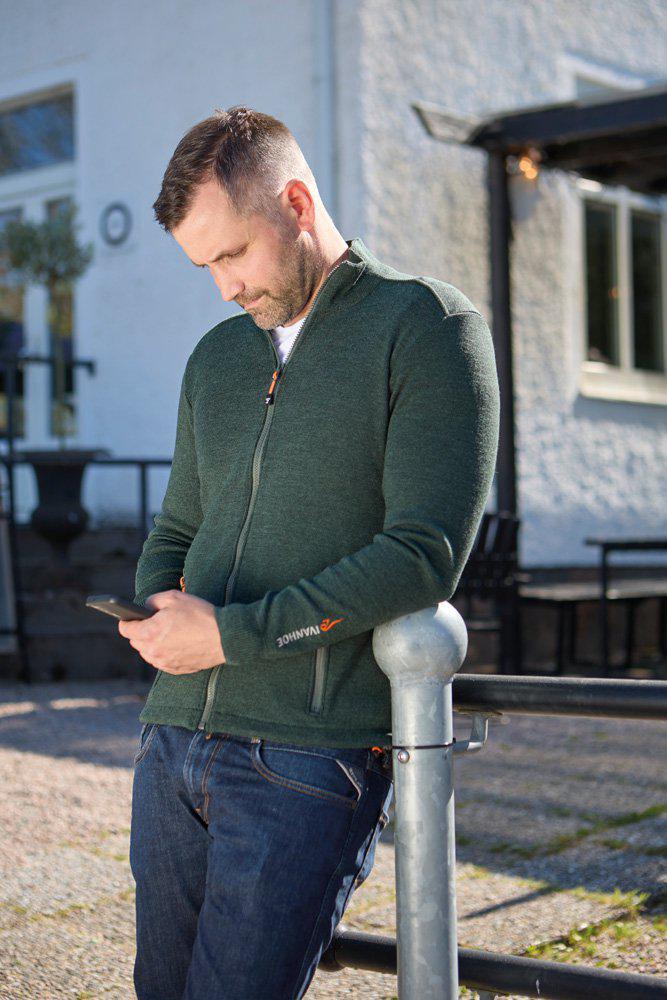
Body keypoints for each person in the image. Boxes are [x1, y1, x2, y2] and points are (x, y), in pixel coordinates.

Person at [118, 104, 500, 1000]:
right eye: (204, 267)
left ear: (294, 203)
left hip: (305, 756)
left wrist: (233, 636)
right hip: (171, 741)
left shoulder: (427, 327)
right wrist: (154, 611)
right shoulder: (217, 359)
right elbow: (176, 528)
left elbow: (421, 555)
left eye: (232, 255)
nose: (224, 289)